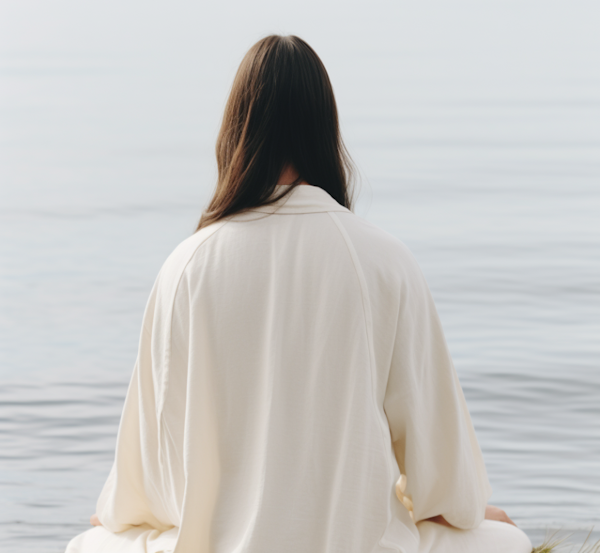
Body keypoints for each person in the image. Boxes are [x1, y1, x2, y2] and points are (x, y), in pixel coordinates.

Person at [66, 35, 532, 553]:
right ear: (325, 130)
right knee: (503, 537)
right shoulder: (384, 260)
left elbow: (148, 480)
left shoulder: (186, 265)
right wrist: (469, 513)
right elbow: (443, 477)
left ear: (236, 131)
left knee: (92, 541)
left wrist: (119, 519)